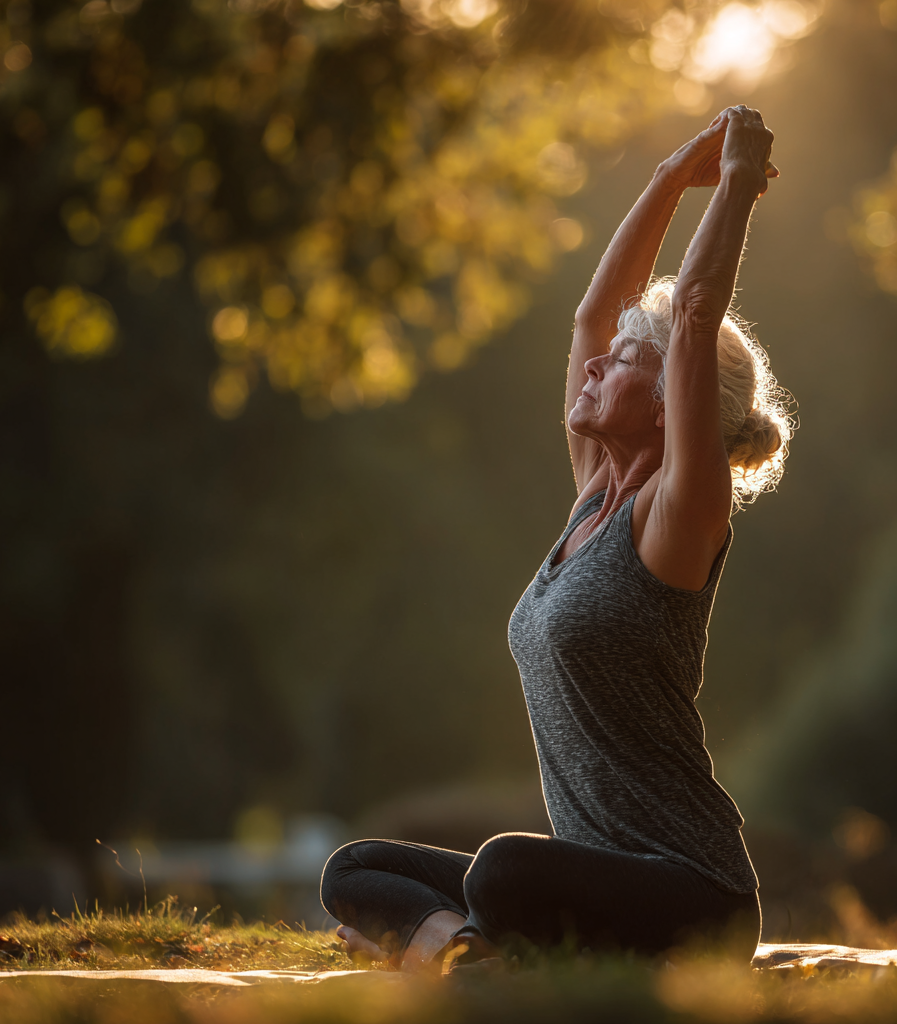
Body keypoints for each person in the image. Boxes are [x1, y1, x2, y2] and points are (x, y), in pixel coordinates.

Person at [320, 105, 791, 973]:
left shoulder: (678, 513)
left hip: (694, 893)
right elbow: (590, 318)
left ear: (667, 404)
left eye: (623, 364)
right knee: (356, 868)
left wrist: (732, 184)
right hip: (600, 882)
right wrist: (664, 180)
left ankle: (461, 947)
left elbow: (690, 313)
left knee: (503, 867)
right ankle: (465, 954)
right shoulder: (593, 498)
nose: (594, 365)